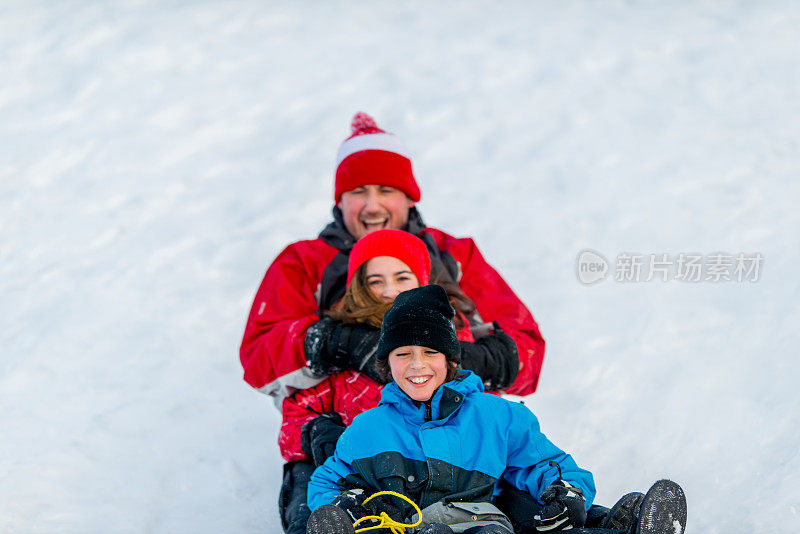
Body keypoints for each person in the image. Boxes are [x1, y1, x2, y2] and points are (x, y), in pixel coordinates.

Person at [305, 286, 688, 534]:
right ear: (387, 365)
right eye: (403, 355)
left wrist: (567, 491)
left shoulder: (497, 417)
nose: (417, 366)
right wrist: (348, 502)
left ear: (451, 360)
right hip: (410, 528)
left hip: (483, 524)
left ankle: (625, 528)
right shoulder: (368, 429)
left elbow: (547, 464)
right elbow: (326, 482)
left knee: (538, 523)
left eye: (430, 353)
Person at [278, 229, 519, 534]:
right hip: (373, 482)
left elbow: (486, 410)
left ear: (422, 280)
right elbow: (293, 417)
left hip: (451, 480)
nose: (389, 290)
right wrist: (316, 431)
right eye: (375, 281)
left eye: (402, 278)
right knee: (307, 488)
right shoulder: (342, 353)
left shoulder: (450, 340)